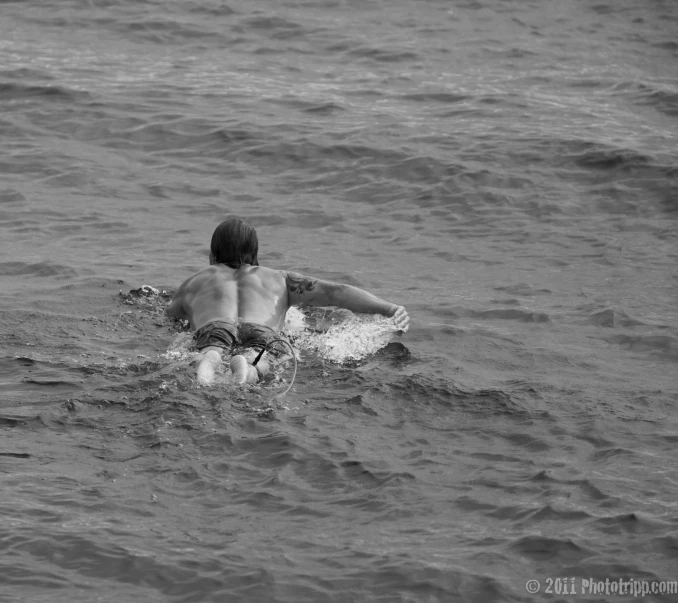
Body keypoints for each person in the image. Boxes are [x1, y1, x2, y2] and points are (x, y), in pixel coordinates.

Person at [166, 218, 410, 386]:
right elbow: (337, 292)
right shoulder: (280, 279)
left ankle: (209, 360)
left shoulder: (195, 281)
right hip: (261, 329)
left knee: (210, 350)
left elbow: (171, 314)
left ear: (212, 255)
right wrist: (388, 308)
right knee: (263, 357)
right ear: (255, 255)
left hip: (215, 326)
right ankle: (250, 369)